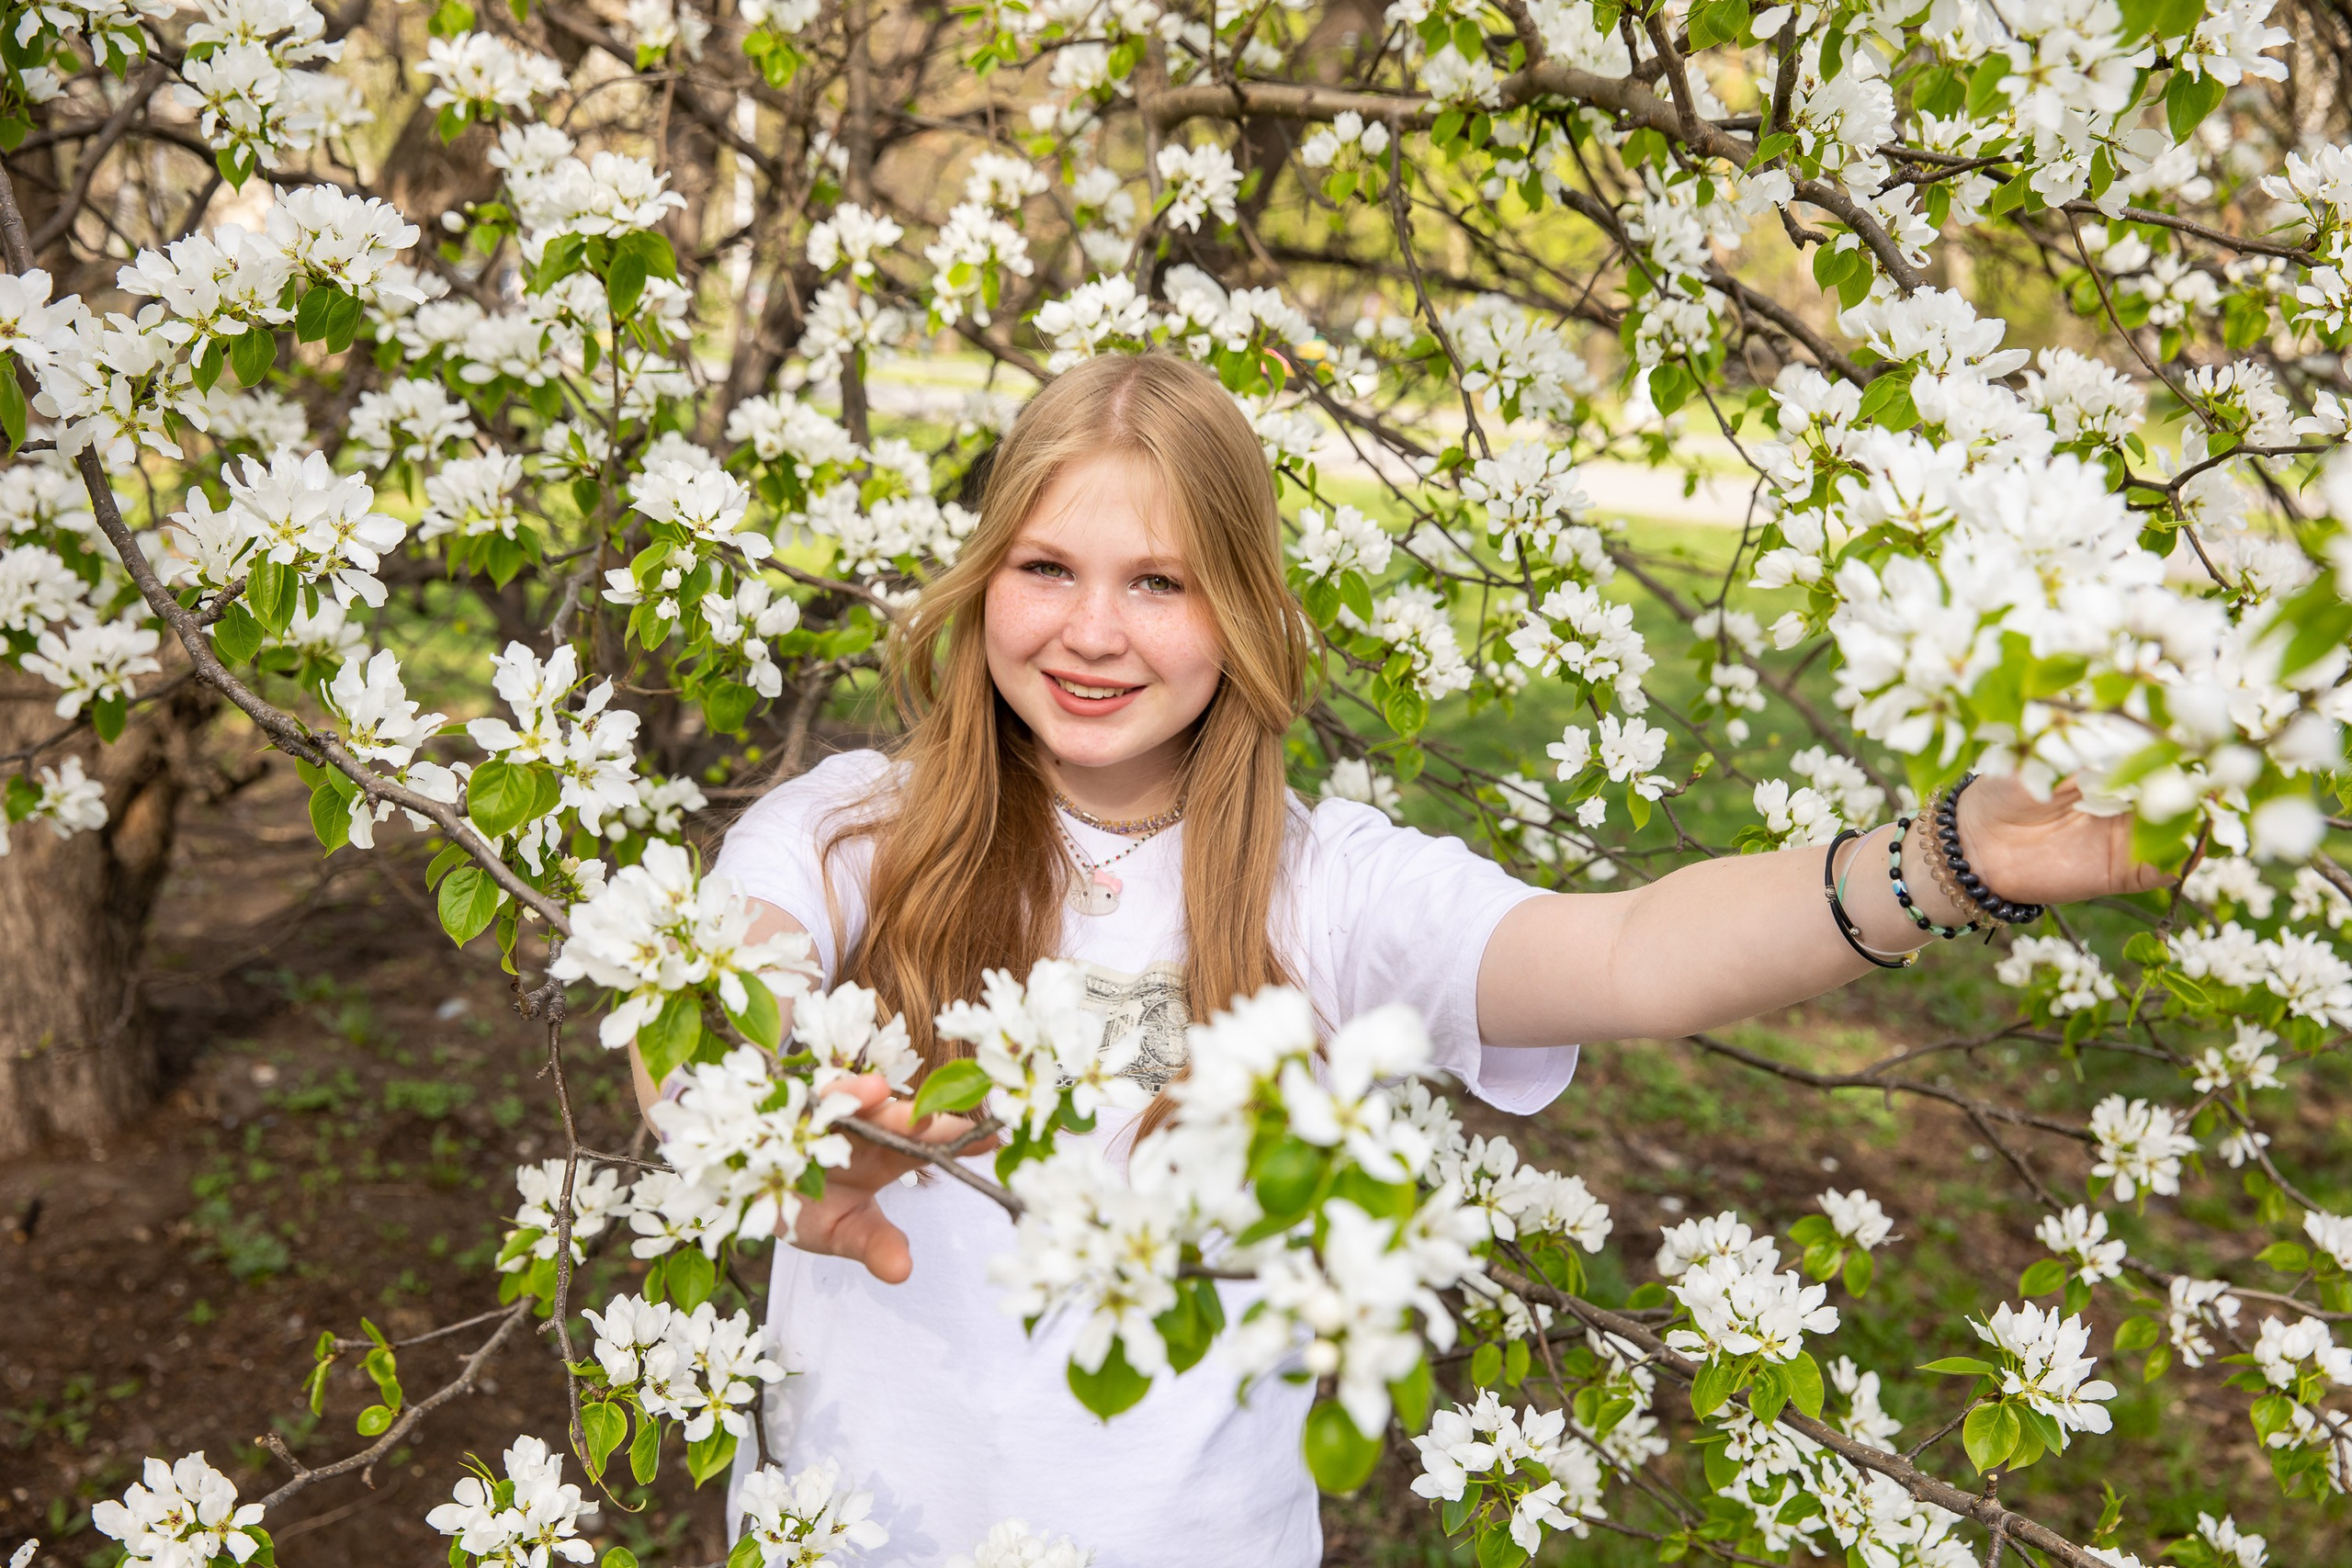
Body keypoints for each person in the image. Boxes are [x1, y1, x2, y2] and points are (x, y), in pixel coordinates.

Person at [630, 352, 2164, 1564]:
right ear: (982, 587)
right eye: (1047, 569)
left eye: (1158, 583)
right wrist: (766, 1104)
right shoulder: (849, 831)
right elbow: (711, 997)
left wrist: (1954, 860)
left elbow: (1634, 955)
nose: (1094, 631)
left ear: (1244, 611)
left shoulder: (1329, 888)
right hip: (859, 1530)